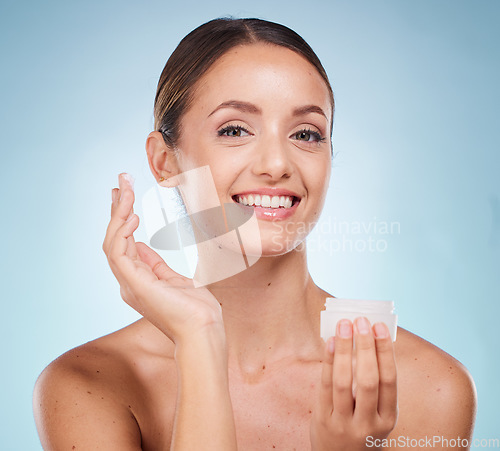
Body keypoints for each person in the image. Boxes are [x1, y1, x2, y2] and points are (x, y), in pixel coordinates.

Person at [33, 17, 476, 450]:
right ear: (164, 161)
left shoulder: (427, 387)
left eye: (306, 133)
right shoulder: (90, 385)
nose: (276, 164)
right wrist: (199, 337)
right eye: (234, 130)